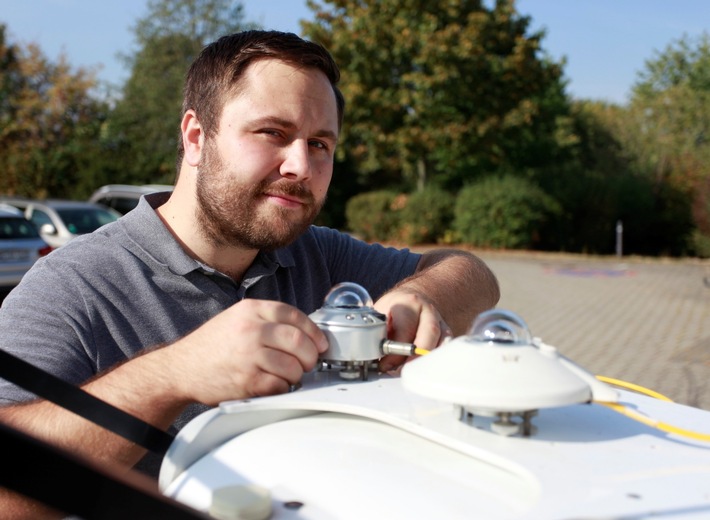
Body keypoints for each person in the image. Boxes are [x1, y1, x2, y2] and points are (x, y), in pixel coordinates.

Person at [0, 30, 499, 517]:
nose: (301, 165)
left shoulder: (316, 254)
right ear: (197, 137)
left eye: (320, 144)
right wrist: (172, 375)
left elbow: (473, 274)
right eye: (273, 133)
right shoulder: (71, 285)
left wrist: (419, 294)